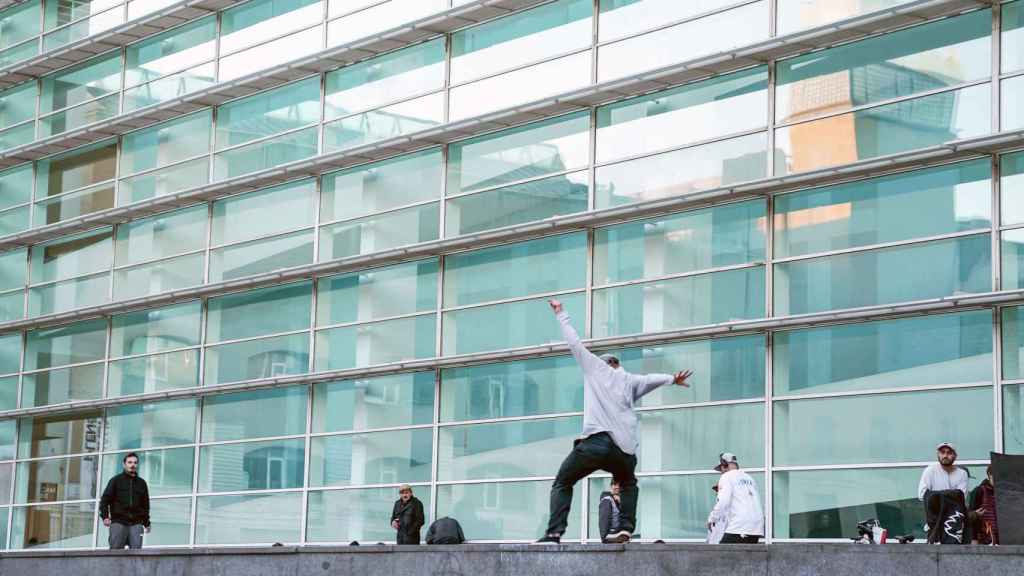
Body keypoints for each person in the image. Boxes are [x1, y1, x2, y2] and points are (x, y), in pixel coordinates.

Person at [536, 299, 692, 544]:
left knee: (563, 482)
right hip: (625, 451)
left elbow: (574, 343)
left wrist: (561, 312)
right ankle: (626, 528)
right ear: (619, 364)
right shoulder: (629, 380)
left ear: (605, 362)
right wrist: (673, 378)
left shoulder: (595, 368)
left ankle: (554, 532)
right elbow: (652, 379)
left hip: (598, 443)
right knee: (628, 482)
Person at [707, 452, 764, 544]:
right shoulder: (750, 478)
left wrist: (712, 519)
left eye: (720, 469)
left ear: (724, 465)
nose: (721, 472)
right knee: (744, 558)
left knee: (719, 555)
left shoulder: (726, 476)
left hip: (740, 526)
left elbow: (723, 502)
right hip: (756, 528)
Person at [919, 442, 970, 544]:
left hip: (953, 524)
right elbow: (922, 494)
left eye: (949, 453)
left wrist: (937, 496)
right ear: (938, 454)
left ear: (955, 456)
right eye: (942, 452)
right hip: (934, 523)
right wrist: (948, 496)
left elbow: (961, 497)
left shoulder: (962, 474)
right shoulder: (930, 470)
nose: (945, 455)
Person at [99, 452, 151, 550]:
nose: (132, 465)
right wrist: (105, 516)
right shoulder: (115, 481)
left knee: (136, 554)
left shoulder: (142, 483)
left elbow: (146, 505)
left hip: (136, 523)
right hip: (118, 522)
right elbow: (105, 500)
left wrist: (147, 522)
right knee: (115, 552)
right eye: (130, 462)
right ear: (124, 464)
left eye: (135, 463)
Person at [968, 465, 998, 544]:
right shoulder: (979, 491)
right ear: (989, 474)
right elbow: (971, 516)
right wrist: (974, 539)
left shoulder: (1003, 493)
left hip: (1001, 538)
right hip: (983, 537)